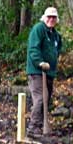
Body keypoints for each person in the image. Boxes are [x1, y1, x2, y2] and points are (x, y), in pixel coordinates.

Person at [25, 7, 63, 137]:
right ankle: (33, 127)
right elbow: (33, 48)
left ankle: (41, 126)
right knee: (40, 98)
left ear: (57, 19)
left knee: (47, 99)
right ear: (44, 17)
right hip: (37, 72)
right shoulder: (39, 29)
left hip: (49, 72)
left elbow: (58, 48)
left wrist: (55, 59)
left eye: (54, 17)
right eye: (49, 17)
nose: (51, 19)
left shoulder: (55, 35)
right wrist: (40, 62)